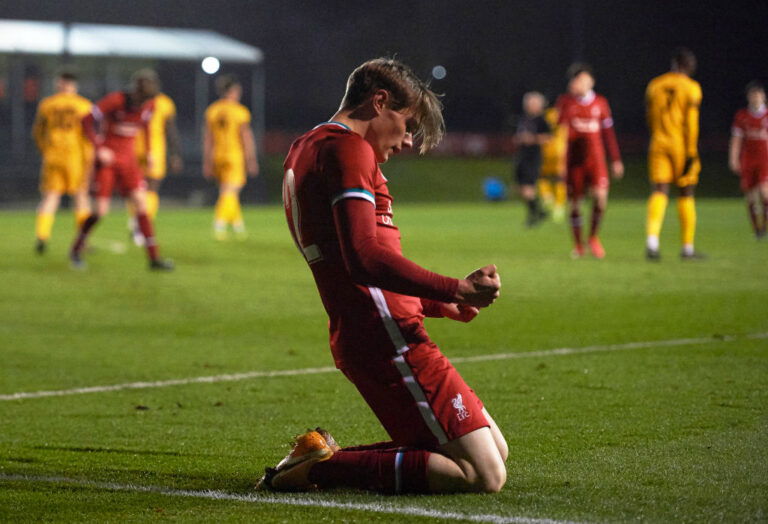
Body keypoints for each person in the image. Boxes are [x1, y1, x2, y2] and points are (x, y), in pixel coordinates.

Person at [258, 58, 506, 495]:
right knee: (482, 473)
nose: (408, 140)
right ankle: (316, 471)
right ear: (380, 102)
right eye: (407, 124)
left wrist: (438, 303)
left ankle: (316, 458)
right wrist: (457, 287)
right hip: (385, 334)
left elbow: (353, 261)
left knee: (493, 450)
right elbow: (363, 258)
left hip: (376, 324)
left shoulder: (309, 146)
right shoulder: (347, 148)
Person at [69, 69, 173, 271]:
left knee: (142, 205)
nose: (144, 104)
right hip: (107, 163)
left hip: (129, 162)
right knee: (100, 211)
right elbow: (86, 120)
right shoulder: (116, 100)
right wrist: (99, 147)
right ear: (136, 91)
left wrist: (150, 152)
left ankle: (154, 258)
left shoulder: (150, 104)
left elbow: (148, 128)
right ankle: (76, 250)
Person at [556, 63, 624, 258]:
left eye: (585, 80)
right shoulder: (565, 103)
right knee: (575, 204)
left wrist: (616, 159)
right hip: (574, 161)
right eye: (578, 80)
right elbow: (559, 133)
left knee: (601, 199)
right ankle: (578, 245)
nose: (581, 84)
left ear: (591, 81)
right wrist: (559, 162)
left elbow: (608, 134)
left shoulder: (601, 103)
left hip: (596, 161)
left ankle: (593, 237)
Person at [645, 48, 704, 260]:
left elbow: (650, 116)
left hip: (658, 141)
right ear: (689, 66)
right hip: (681, 144)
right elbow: (691, 122)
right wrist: (691, 152)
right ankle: (687, 248)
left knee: (659, 190)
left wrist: (657, 134)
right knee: (686, 191)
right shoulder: (691, 88)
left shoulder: (655, 85)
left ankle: (652, 241)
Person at [31, 70, 93, 254]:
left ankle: (42, 236)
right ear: (74, 85)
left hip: (53, 155)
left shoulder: (47, 105)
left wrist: (45, 149)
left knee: (51, 196)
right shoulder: (84, 106)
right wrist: (89, 157)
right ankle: (83, 240)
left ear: (59, 84)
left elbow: (37, 132)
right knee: (81, 196)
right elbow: (89, 135)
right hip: (75, 156)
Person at [203, 75, 258, 240]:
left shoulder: (212, 110)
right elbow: (245, 137)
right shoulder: (240, 111)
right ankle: (219, 223)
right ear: (232, 91)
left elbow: (208, 138)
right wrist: (251, 159)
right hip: (234, 155)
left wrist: (207, 161)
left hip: (217, 155)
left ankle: (237, 225)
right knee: (231, 191)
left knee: (227, 190)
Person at [130, 72, 183, 245]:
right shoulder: (163, 103)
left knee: (140, 189)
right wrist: (175, 154)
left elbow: (171, 130)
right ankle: (141, 225)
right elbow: (171, 130)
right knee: (148, 189)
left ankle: (137, 223)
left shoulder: (138, 100)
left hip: (140, 150)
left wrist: (175, 153)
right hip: (145, 151)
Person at [729, 81, 768, 239]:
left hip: (765, 160)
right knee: (751, 197)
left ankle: (764, 228)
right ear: (748, 97)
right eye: (753, 95)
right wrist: (733, 158)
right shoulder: (742, 116)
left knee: (765, 194)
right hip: (748, 160)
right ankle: (756, 229)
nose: (756, 98)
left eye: (758, 94)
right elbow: (736, 139)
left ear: (764, 97)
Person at [513, 91, 551, 227]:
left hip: (533, 157)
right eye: (528, 103)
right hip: (522, 156)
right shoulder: (524, 119)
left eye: (533, 103)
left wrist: (532, 139)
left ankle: (533, 215)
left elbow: (548, 138)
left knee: (528, 187)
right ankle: (540, 212)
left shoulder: (542, 120)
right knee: (519, 187)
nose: (530, 105)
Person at [538, 104, 568, 223]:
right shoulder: (564, 120)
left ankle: (548, 198)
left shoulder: (547, 116)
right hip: (558, 153)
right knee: (559, 179)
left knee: (545, 177)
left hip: (550, 153)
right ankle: (558, 205)